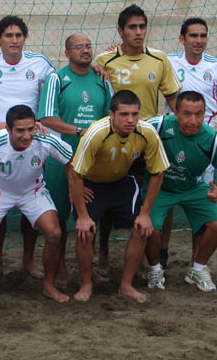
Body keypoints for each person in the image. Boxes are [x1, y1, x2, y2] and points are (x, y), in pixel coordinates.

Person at [94, 4, 180, 276]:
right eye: (132, 27)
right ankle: (104, 250)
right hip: (114, 140)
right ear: (121, 31)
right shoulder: (103, 60)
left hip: (148, 139)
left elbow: (173, 100)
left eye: (142, 26)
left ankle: (153, 254)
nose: (138, 32)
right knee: (109, 196)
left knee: (153, 198)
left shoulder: (159, 59)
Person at [0, 104, 73, 306]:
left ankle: (49, 285)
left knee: (55, 233)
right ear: (8, 129)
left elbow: (70, 160)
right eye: (20, 130)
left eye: (30, 128)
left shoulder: (44, 138)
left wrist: (74, 190)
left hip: (33, 190)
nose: (27, 135)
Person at [0, 15, 56, 281]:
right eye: (8, 35)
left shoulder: (40, 63)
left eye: (18, 35)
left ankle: (28, 260)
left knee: (30, 204)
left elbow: (60, 84)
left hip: (30, 143)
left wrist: (99, 66)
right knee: (0, 205)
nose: (14, 40)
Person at [67, 90, 169, 303]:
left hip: (122, 182)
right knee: (86, 231)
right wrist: (83, 217)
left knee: (142, 228)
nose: (130, 120)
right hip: (92, 184)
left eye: (134, 114)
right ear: (111, 115)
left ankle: (126, 285)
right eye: (124, 114)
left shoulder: (147, 132)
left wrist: (145, 213)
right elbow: (75, 174)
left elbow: (158, 173)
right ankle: (86, 284)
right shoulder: (96, 132)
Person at [145, 91, 217, 292]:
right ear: (176, 113)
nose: (193, 121)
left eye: (199, 114)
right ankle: (155, 269)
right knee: (149, 226)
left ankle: (197, 268)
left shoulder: (212, 139)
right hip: (161, 188)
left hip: (193, 187)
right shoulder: (159, 125)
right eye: (187, 114)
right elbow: (134, 133)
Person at [37, 32, 112, 288]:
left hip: (93, 161)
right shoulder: (57, 79)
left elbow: (109, 118)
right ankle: (59, 268)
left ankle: (87, 270)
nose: (85, 50)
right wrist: (80, 131)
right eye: (79, 47)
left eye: (89, 46)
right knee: (58, 217)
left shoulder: (102, 80)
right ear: (67, 53)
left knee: (89, 216)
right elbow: (46, 119)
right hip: (61, 159)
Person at [159, 17, 217, 268]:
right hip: (173, 138)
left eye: (203, 36)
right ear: (182, 39)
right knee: (167, 194)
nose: (199, 40)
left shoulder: (216, 66)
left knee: (203, 201)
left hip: (204, 141)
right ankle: (162, 251)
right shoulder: (167, 61)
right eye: (193, 35)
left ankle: (196, 260)